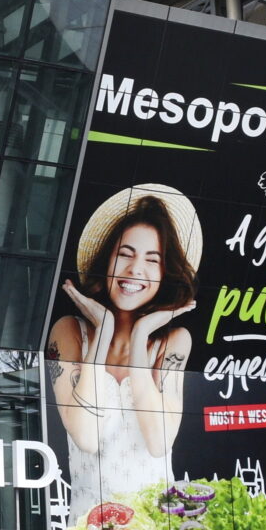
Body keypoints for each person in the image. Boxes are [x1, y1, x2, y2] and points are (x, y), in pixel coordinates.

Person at [49, 186, 200, 504]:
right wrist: (103, 331)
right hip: (91, 529)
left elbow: (159, 441)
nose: (135, 270)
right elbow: (86, 437)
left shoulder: (172, 342)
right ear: (106, 261)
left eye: (152, 260)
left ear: (164, 273)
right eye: (125, 254)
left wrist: (140, 335)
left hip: (158, 528)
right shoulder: (69, 333)